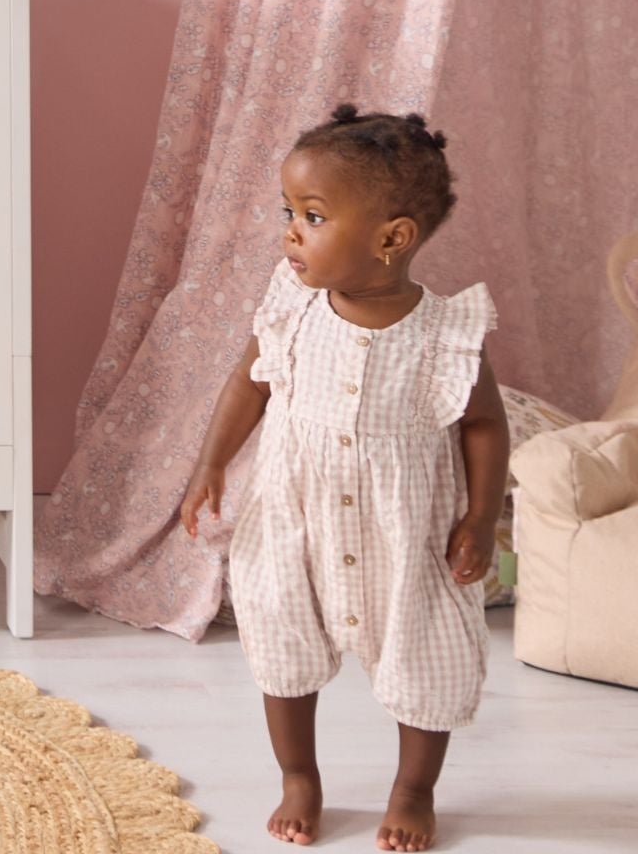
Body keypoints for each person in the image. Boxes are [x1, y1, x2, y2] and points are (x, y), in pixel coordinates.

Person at [179, 104, 508, 851]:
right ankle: (300, 777)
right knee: (282, 639)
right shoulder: (292, 307)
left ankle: (413, 789)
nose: (291, 230)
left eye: (314, 215)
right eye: (288, 210)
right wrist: (210, 464)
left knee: (426, 654)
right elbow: (250, 381)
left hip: (409, 532)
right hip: (296, 516)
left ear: (393, 239)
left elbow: (484, 423)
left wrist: (482, 517)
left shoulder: (444, 334)